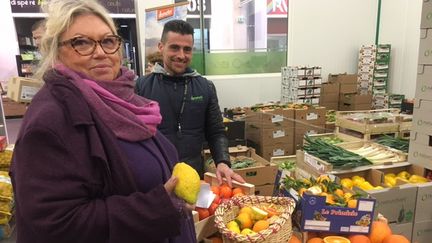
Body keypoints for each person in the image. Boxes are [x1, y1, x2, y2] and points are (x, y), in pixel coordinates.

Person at [10, 1, 196, 243]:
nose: (100, 52)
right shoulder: (49, 121)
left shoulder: (125, 101)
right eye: (82, 43)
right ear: (56, 51)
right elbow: (56, 223)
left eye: (108, 41)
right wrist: (155, 208)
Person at [135, 20, 245, 187]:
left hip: (193, 178)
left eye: (187, 49)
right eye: (174, 47)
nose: (181, 55)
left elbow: (216, 132)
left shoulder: (205, 87)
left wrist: (222, 162)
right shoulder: (141, 87)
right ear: (161, 47)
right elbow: (135, 138)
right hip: (156, 179)